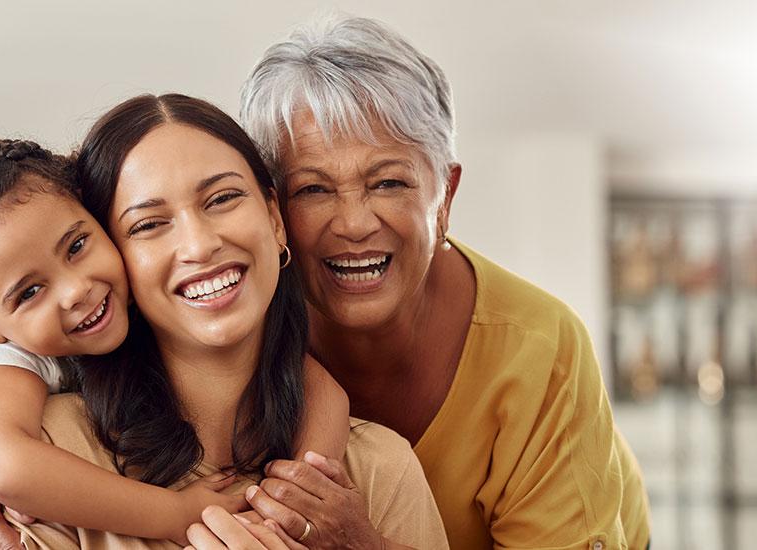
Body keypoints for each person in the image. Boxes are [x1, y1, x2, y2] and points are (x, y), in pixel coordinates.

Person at [0, 95, 447, 549]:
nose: (200, 244)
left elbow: (315, 385)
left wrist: (304, 492)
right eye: (149, 225)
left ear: (275, 218)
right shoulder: (53, 448)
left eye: (223, 198)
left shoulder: (377, 470)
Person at [233, 15, 651, 549]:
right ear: (272, 211)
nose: (355, 223)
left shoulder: (542, 349)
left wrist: (364, 545)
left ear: (445, 196)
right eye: (312, 190)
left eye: (388, 182)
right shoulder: (243, 326)